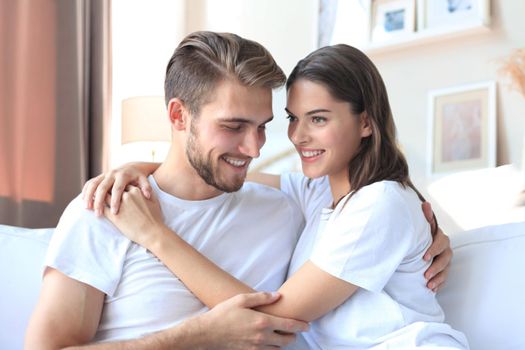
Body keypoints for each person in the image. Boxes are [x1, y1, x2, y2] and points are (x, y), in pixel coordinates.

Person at [87, 44, 467, 349]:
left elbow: (270, 320)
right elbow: (222, 169)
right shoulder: (319, 194)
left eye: (318, 119)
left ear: (366, 122)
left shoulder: (379, 203)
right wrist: (138, 167)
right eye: (292, 119)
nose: (299, 136)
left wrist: (156, 237)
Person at [25, 31, 310, 349]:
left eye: (262, 127)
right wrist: (202, 335)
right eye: (233, 127)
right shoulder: (103, 210)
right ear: (178, 116)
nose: (254, 149)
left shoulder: (283, 211)